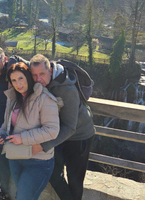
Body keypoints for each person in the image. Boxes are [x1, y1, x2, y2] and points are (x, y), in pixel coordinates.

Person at [29, 54, 95, 200]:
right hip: (59, 133)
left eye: (42, 74)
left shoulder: (67, 89)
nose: (38, 79)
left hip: (79, 136)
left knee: (75, 179)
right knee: (52, 171)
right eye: (34, 75)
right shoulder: (44, 83)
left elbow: (70, 127)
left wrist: (43, 145)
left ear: (50, 71)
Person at [0, 62, 60, 200]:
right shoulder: (13, 97)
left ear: (28, 78)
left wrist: (22, 138)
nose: (18, 84)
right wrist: (1, 133)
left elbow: (52, 130)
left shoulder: (44, 98)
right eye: (14, 80)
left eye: (21, 79)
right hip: (16, 156)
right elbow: (7, 124)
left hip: (38, 161)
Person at [0, 47, 27, 199]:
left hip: (13, 129)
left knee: (16, 164)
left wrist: (13, 63)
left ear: (5, 59)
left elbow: (24, 65)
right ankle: (4, 193)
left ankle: (21, 194)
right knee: (1, 163)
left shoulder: (12, 75)